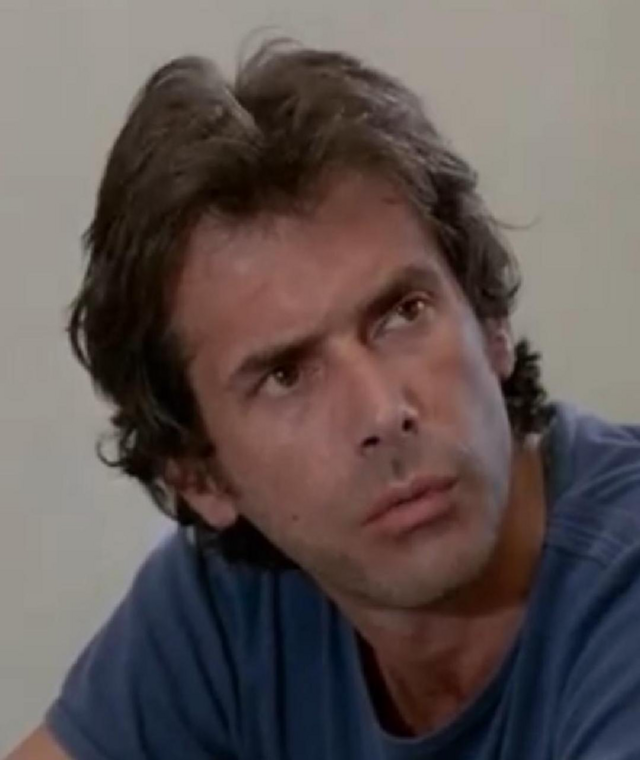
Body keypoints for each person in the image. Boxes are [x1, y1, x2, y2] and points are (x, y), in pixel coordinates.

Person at [7, 41, 640, 760]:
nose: (383, 412)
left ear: (490, 324)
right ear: (200, 476)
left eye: (403, 313)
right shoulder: (235, 605)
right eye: (285, 375)